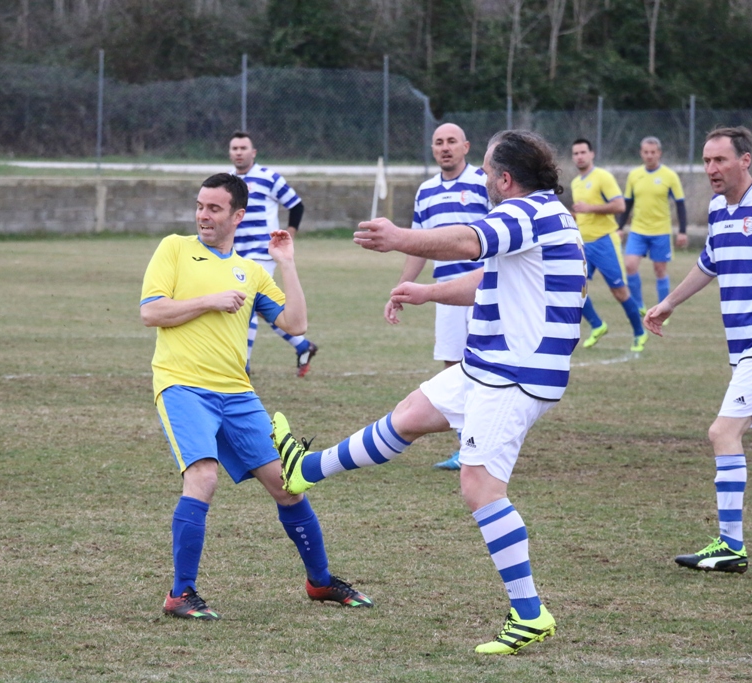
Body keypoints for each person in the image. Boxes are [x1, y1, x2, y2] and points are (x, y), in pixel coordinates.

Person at [273, 130, 586, 654]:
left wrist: (398, 237)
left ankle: (529, 613)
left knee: (479, 488)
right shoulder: (539, 216)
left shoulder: (527, 213)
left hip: (515, 373)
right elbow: (488, 278)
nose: (484, 180)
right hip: (490, 362)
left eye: (487, 172)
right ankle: (305, 469)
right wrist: (426, 292)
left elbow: (467, 242)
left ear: (506, 179)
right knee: (410, 416)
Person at [140, 173, 373, 620]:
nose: (202, 215)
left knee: (288, 486)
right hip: (183, 385)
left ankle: (320, 584)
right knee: (203, 479)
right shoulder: (174, 248)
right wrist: (209, 300)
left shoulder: (251, 271)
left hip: (238, 394)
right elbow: (151, 311)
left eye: (213, 208)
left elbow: (296, 325)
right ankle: (180, 594)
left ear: (237, 215)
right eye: (200, 206)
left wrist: (286, 261)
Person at [644, 127, 752, 573]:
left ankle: (730, 545)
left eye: (720, 160)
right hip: (745, 345)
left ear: (745, 160)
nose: (711, 169)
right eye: (706, 161)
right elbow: (708, 265)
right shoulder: (718, 210)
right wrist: (667, 303)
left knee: (722, 433)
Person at [386, 122, 490, 471]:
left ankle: (486, 443)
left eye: (451, 142)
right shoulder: (426, 191)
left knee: (483, 366)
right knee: (452, 368)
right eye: (438, 142)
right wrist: (401, 288)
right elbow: (417, 245)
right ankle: (468, 447)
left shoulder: (482, 182)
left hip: (482, 289)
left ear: (466, 146)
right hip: (443, 293)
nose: (445, 147)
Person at [229, 131, 318, 377]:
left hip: (262, 254)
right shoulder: (227, 181)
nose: (238, 152)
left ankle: (242, 367)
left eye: (243, 148)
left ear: (253, 152)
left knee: (246, 305)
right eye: (234, 148)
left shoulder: (268, 177)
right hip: (236, 255)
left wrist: (288, 235)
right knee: (259, 306)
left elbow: (296, 204)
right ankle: (302, 345)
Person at [570, 138, 648, 352]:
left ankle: (640, 333)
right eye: (575, 153)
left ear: (592, 154)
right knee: (575, 288)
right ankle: (597, 325)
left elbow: (620, 205)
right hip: (584, 244)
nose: (579, 156)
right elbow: (584, 213)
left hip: (605, 241)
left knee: (619, 292)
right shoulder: (576, 182)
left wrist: (589, 208)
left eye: (583, 152)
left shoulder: (602, 177)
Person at [618, 136, 688, 315]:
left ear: (659, 154)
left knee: (659, 270)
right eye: (646, 152)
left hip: (661, 231)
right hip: (638, 230)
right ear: (641, 153)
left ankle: (663, 308)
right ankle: (639, 306)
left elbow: (680, 204)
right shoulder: (634, 175)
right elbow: (628, 203)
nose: (649, 156)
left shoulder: (669, 176)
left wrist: (682, 231)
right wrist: (620, 227)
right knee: (630, 265)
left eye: (653, 152)